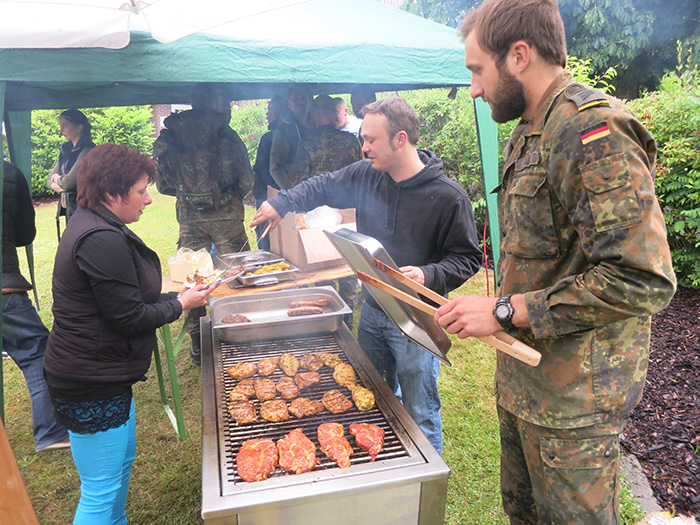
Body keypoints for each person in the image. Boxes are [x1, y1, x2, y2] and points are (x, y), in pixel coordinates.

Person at [434, 1, 677, 523]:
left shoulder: (592, 132)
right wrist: (501, 308)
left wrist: (503, 313)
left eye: (477, 70)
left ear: (518, 55)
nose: (473, 88)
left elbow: (642, 277)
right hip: (529, 385)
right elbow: (548, 258)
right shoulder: (530, 130)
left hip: (575, 404)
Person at [252, 97, 482, 454]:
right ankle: (384, 459)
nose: (363, 147)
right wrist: (282, 202)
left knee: (419, 409)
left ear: (400, 139)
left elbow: (468, 258)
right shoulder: (366, 175)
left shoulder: (448, 197)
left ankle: (425, 482)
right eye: (363, 137)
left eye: (371, 140)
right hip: (374, 309)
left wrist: (427, 273)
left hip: (415, 319)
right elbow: (323, 184)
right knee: (373, 393)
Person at [42, 143, 215, 524]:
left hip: (101, 373)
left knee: (119, 468)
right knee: (100, 488)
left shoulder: (94, 221)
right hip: (89, 379)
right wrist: (182, 303)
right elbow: (129, 316)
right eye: (141, 191)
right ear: (111, 194)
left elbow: (122, 295)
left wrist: (175, 294)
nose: (148, 200)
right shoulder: (99, 237)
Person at [153, 83, 254, 366]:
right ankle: (238, 334)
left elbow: (162, 185)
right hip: (228, 219)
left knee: (192, 279)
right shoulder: (226, 135)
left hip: (190, 220)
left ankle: (198, 342)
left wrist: (189, 195)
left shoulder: (172, 136)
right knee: (235, 274)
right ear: (215, 102)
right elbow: (246, 181)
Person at [2, 160, 69, 452]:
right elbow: (25, 235)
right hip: (5, 290)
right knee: (37, 354)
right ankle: (51, 432)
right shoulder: (8, 171)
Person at [286, 94, 364, 328]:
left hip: (316, 216)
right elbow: (361, 173)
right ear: (332, 114)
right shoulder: (351, 142)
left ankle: (322, 321)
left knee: (318, 266)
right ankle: (347, 322)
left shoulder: (306, 145)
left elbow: (295, 182)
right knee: (346, 265)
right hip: (345, 213)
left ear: (314, 115)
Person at [46, 109, 95, 236]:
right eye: (60, 126)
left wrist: (59, 180)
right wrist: (62, 185)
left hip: (85, 209)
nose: (61, 130)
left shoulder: (88, 150)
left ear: (79, 127)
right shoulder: (65, 150)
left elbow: (67, 183)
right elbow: (48, 180)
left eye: (65, 125)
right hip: (70, 209)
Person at [252, 95, 287, 250]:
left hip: (267, 196)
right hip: (280, 196)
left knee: (266, 241)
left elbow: (261, 168)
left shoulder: (269, 138)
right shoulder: (288, 135)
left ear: (279, 113)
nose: (267, 115)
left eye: (270, 111)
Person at [268, 85, 312, 190]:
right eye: (295, 99)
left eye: (303, 98)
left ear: (309, 101)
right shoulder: (282, 131)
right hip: (297, 194)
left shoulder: (317, 125)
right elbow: (275, 168)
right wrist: (292, 191)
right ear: (289, 102)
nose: (299, 102)